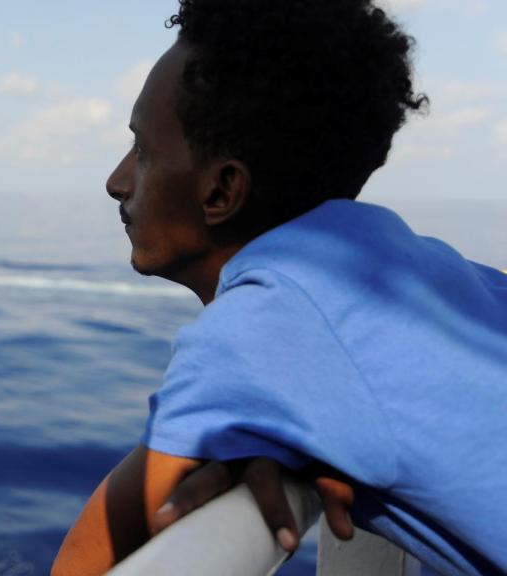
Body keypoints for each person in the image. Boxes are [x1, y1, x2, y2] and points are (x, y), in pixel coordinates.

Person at [51, 1, 507, 575]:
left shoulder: (260, 328)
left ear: (221, 192)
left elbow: (83, 560)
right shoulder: (423, 267)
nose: (116, 180)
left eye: (142, 151)